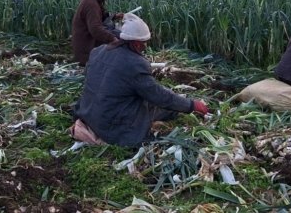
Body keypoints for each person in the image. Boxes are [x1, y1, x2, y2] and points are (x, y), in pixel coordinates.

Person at [71, 13, 209, 147]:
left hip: (88, 113)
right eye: (144, 43)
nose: (145, 47)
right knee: (159, 107)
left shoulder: (98, 51)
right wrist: (191, 105)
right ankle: (177, 110)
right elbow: (160, 97)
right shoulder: (135, 64)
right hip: (110, 127)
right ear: (137, 44)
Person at [71, 0, 124, 66]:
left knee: (116, 35)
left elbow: (100, 16)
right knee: (119, 40)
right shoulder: (91, 5)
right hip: (86, 50)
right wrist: (112, 39)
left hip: (85, 43)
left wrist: (114, 16)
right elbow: (95, 29)